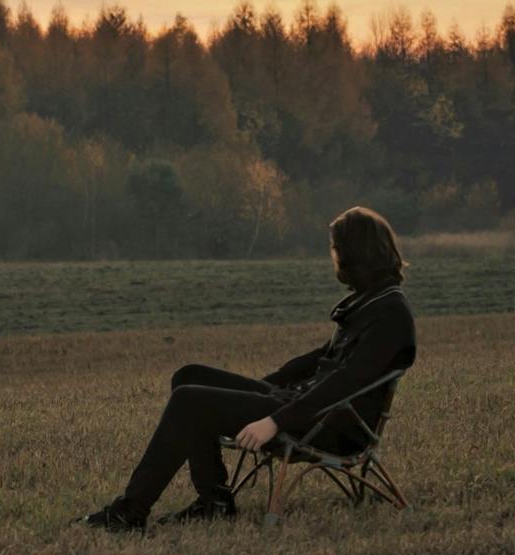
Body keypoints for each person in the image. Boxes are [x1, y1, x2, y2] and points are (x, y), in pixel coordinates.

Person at [79, 205, 416, 531]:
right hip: (305, 406)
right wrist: (257, 389)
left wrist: (273, 421)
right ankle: (214, 502)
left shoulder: (390, 313)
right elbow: (319, 359)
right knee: (189, 376)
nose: (333, 256)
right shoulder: (370, 300)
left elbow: (344, 383)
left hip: (331, 426)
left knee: (188, 400)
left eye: (336, 248)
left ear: (356, 254)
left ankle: (130, 513)